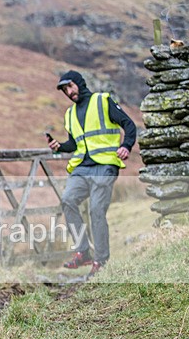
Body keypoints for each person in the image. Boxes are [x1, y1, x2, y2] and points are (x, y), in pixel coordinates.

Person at [46, 70, 137, 275]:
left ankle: (101, 261)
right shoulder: (69, 114)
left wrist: (127, 146)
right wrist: (59, 146)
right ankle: (83, 252)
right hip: (82, 168)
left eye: (70, 86)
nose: (69, 92)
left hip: (105, 165)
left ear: (79, 83)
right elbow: (74, 143)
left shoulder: (102, 101)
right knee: (68, 199)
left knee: (96, 210)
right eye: (64, 90)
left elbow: (129, 125)